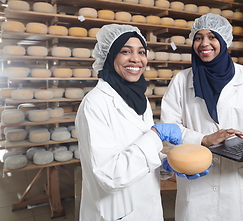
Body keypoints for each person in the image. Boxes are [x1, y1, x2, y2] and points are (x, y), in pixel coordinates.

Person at [160, 13, 243, 221]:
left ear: (225, 41)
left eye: (212, 37)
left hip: (235, 190)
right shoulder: (181, 81)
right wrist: (202, 140)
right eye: (198, 38)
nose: (204, 43)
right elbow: (169, 129)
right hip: (196, 191)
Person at [75, 24, 182, 221]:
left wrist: (164, 166)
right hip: (114, 213)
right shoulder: (95, 103)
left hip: (147, 209)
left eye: (141, 52)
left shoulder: (139, 99)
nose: (136, 59)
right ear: (110, 56)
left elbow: (139, 155)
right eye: (125, 51)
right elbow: (109, 175)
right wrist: (155, 136)